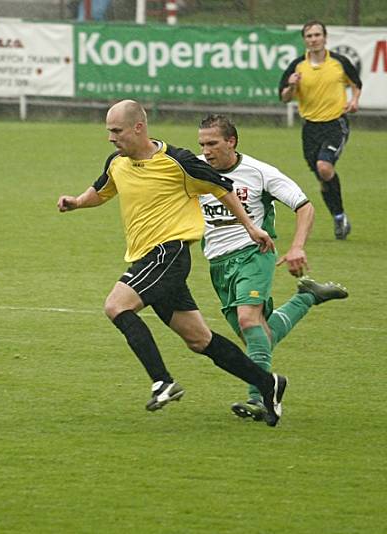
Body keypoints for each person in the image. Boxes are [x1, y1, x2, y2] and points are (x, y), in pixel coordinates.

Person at [57, 100, 288, 427]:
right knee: (200, 340)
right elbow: (103, 189)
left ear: (138, 127)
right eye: (109, 131)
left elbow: (223, 188)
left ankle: (162, 381)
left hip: (169, 253)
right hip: (147, 258)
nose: (110, 137)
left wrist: (251, 227)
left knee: (116, 306)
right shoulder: (117, 162)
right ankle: (269, 384)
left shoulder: (178, 161)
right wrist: (77, 202)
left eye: (116, 130)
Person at [197, 114, 349, 420]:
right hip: (217, 262)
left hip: (255, 253)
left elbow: (304, 207)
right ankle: (307, 297)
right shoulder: (196, 169)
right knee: (259, 336)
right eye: (202, 144)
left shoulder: (260, 173)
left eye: (213, 143)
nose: (207, 150)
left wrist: (297, 247)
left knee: (249, 321)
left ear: (231, 141)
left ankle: (260, 398)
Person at [279, 20, 362, 240]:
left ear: (325, 37)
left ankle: (338, 216)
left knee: (324, 167)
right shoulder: (297, 66)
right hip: (310, 129)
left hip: (336, 124)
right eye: (309, 36)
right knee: (323, 177)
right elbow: (284, 97)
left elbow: (356, 83)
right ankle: (339, 216)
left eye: (317, 35)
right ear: (304, 40)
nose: (313, 39)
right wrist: (292, 85)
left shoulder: (339, 62)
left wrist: (354, 101)